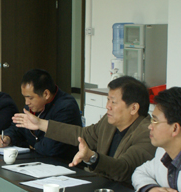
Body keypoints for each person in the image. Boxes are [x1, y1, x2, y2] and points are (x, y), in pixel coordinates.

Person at [12, 76, 155, 184]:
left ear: (134, 108)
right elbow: (82, 134)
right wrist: (41, 124)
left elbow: (124, 168)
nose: (108, 106)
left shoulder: (147, 133)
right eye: (108, 100)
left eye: (113, 102)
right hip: (101, 187)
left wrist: (92, 157)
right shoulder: (108, 122)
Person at [0, 69, 81, 158]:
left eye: (30, 98)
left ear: (46, 94)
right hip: (38, 160)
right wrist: (8, 137)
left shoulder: (66, 107)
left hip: (64, 162)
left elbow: (50, 148)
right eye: (25, 97)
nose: (26, 102)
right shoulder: (33, 106)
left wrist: (32, 146)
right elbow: (19, 128)